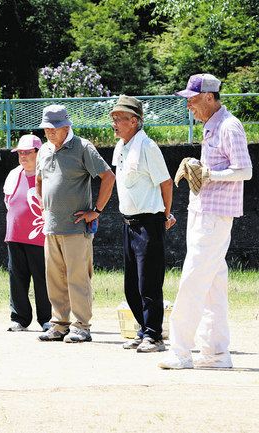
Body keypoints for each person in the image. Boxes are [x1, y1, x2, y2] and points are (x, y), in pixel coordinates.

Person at [159, 74, 253, 369]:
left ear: (210, 97)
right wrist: (201, 168)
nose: (189, 105)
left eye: (193, 99)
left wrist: (210, 174)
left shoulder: (229, 125)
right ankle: (215, 353)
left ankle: (180, 351)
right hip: (204, 210)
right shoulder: (212, 126)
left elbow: (245, 170)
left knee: (193, 278)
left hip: (215, 214)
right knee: (213, 282)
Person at [35, 105, 115, 343]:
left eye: (54, 128)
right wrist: (43, 206)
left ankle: (82, 325)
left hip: (76, 227)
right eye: (47, 128)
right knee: (54, 277)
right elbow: (39, 180)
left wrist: (96, 211)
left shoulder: (83, 147)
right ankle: (59, 324)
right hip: (51, 226)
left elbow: (108, 177)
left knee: (78, 277)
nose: (49, 132)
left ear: (66, 126)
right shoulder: (45, 150)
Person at [110, 95, 176, 353]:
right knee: (131, 283)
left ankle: (154, 335)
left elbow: (166, 183)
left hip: (149, 221)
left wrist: (165, 215)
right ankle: (142, 329)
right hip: (128, 223)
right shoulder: (122, 146)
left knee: (149, 281)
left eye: (120, 118)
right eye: (113, 118)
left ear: (135, 121)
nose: (114, 123)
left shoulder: (148, 146)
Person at [4, 134, 52, 332]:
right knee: (17, 278)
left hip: (40, 236)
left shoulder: (48, 174)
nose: (23, 157)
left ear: (38, 153)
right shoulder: (14, 174)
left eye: (27, 153)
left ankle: (47, 319)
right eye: (20, 153)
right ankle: (20, 318)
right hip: (15, 235)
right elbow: (8, 201)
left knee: (43, 279)